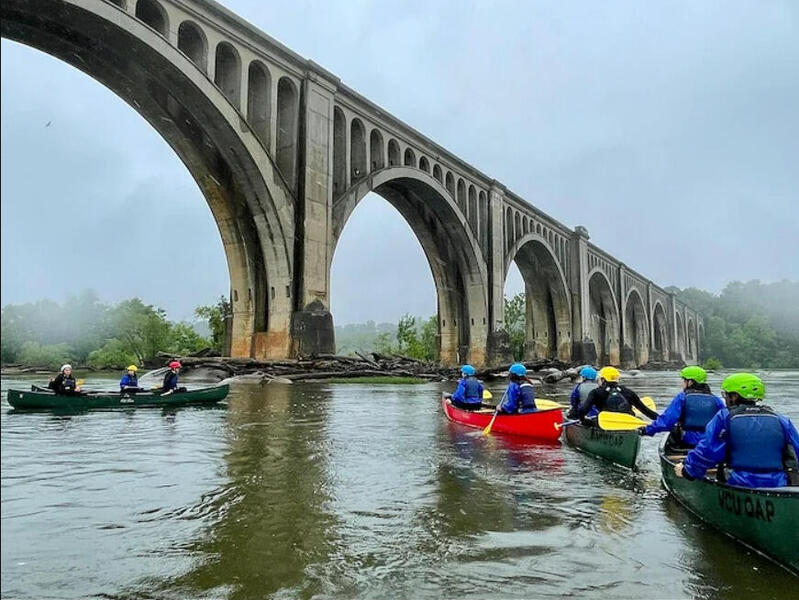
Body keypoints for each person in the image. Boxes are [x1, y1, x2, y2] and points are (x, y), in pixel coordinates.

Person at [675, 373, 799, 488]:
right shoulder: (781, 419)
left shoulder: (724, 417)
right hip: (778, 482)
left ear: (734, 396)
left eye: (726, 395)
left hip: (736, 480)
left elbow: (707, 451)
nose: (725, 399)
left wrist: (688, 471)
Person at [639, 366, 723, 447]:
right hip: (710, 441)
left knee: (674, 431)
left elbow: (667, 421)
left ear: (690, 382)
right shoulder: (716, 400)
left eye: (683, 380)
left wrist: (647, 430)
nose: (682, 383)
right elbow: (726, 421)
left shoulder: (682, 397)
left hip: (687, 440)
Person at [575, 366, 658, 423]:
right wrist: (661, 420)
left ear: (603, 380)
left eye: (599, 379)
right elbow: (646, 411)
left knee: (593, 421)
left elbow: (583, 410)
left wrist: (584, 421)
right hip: (627, 424)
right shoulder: (628, 392)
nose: (598, 381)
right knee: (638, 417)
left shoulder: (596, 392)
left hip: (606, 424)